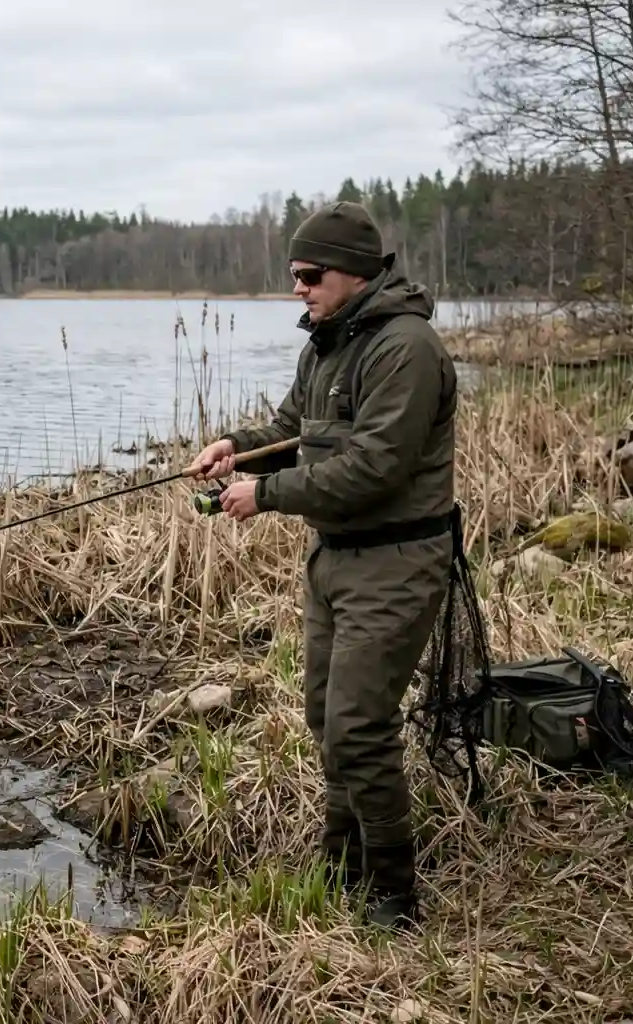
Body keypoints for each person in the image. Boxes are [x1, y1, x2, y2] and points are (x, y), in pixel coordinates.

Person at [186, 200, 458, 931]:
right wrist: (235, 450)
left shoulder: (406, 348)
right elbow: (290, 430)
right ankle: (340, 865)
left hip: (398, 562)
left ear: (354, 272)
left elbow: (377, 466)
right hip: (333, 559)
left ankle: (395, 897)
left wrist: (265, 493)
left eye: (310, 275)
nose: (298, 289)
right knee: (324, 717)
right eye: (295, 275)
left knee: (360, 725)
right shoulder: (326, 344)